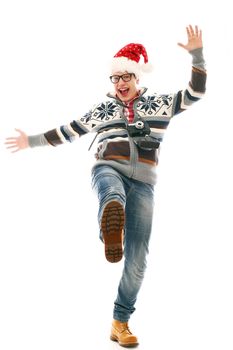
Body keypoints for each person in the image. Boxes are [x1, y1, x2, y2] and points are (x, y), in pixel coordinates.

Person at [5, 25, 206, 348]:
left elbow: (195, 93)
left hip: (144, 183)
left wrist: (197, 56)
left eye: (126, 77)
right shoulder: (103, 110)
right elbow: (68, 130)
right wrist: (31, 140)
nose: (121, 83)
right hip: (108, 167)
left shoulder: (160, 104)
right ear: (111, 82)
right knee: (111, 192)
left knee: (138, 260)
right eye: (115, 78)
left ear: (137, 78)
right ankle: (110, 228)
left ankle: (120, 323)